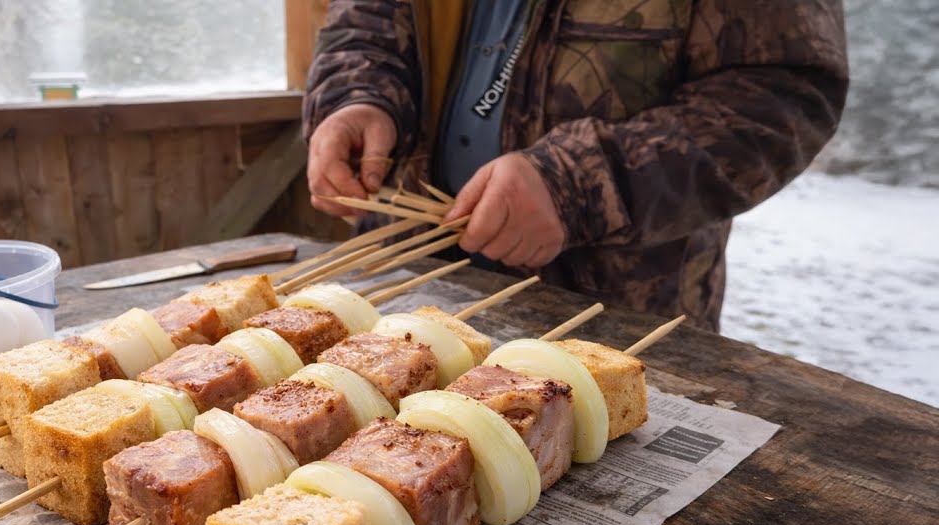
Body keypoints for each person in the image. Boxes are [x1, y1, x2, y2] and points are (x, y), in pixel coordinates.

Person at [303, 1, 849, 330]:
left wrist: (580, 183)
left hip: (610, 316)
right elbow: (364, 23)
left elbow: (786, 93)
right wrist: (355, 97)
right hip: (400, 285)